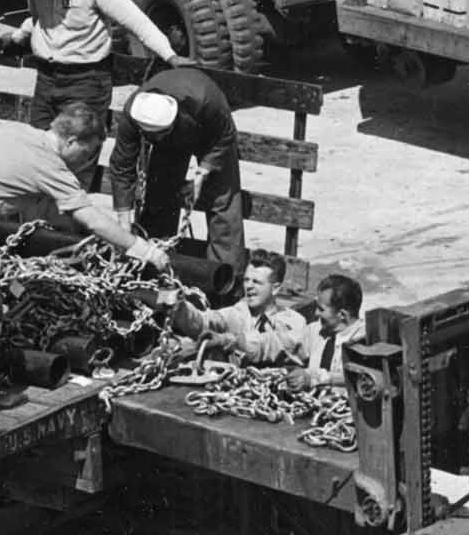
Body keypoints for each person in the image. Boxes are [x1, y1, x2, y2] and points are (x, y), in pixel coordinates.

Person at [0, 105, 169, 412]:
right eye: (88, 153)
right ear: (71, 142)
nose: (87, 163)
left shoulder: (16, 131)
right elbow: (92, 220)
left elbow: (4, 184)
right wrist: (145, 251)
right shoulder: (51, 165)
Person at [14, 0, 180, 130]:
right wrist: (20, 35)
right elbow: (38, 19)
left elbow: (137, 21)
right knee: (39, 148)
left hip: (85, 81)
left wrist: (170, 56)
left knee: (80, 150)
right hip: (46, 78)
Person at [109, 66, 244, 302]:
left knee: (223, 204)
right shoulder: (134, 112)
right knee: (159, 199)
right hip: (171, 138)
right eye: (152, 135)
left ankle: (225, 284)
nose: (157, 139)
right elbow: (122, 165)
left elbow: (225, 137)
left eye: (160, 134)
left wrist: (202, 173)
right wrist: (123, 219)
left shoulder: (207, 101)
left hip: (212, 136)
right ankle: (153, 269)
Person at [165, 250, 304, 365]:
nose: (249, 287)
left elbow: (268, 344)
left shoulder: (294, 322)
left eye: (256, 282)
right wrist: (175, 301)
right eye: (246, 280)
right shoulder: (238, 312)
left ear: (275, 289)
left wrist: (231, 340)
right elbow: (204, 321)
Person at [287, 272, 363, 391]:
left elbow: (358, 378)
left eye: (321, 309)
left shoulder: (363, 340)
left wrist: (316, 378)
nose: (316, 313)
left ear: (342, 314)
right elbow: (293, 357)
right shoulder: (315, 330)